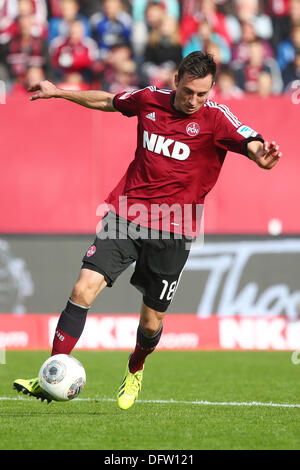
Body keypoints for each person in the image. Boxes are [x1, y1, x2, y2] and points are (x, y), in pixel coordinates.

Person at [13, 51, 281, 410]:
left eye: (202, 94)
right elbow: (109, 100)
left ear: (211, 90)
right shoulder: (150, 99)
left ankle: (135, 368)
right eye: (188, 92)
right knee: (83, 288)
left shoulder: (216, 119)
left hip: (175, 229)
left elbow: (250, 140)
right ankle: (50, 373)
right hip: (126, 214)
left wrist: (259, 153)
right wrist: (59, 91)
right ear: (176, 82)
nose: (194, 101)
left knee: (151, 321)